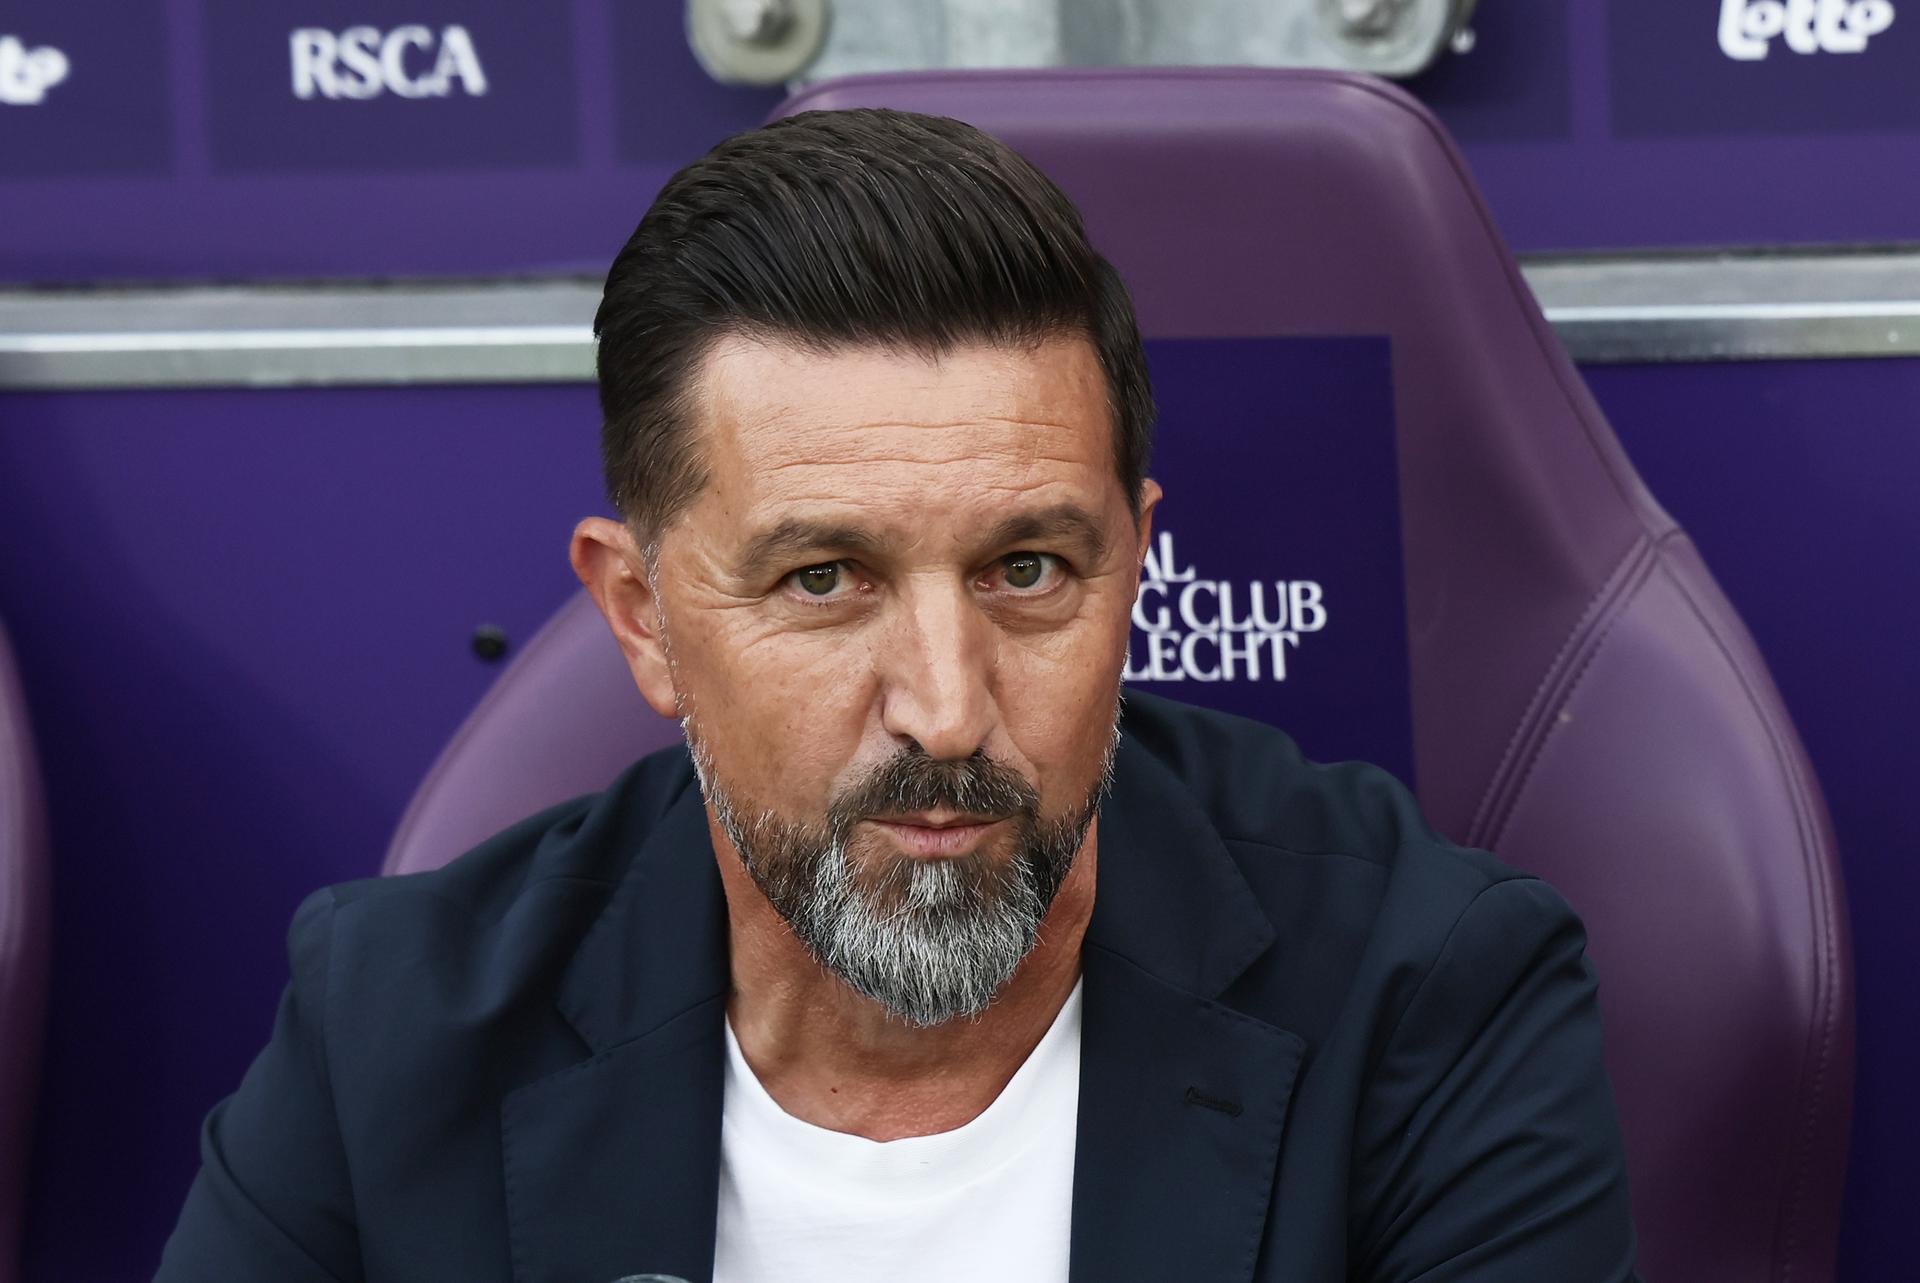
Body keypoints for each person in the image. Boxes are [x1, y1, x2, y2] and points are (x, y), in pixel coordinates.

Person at [156, 108, 1638, 1282]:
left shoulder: (1431, 999)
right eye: (825, 581)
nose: (944, 709)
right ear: (645, 616)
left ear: (1132, 567)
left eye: (1030, 569)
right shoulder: (392, 1035)